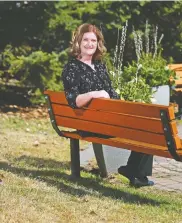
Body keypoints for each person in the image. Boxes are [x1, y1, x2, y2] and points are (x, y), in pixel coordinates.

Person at [61, 23, 154, 187]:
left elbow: (110, 91)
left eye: (93, 40)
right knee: (147, 128)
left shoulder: (100, 66)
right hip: (90, 124)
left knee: (147, 123)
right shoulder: (72, 67)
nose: (90, 44)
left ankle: (134, 171)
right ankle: (134, 171)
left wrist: (123, 108)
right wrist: (95, 94)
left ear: (98, 44)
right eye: (86, 40)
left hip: (105, 120)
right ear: (78, 42)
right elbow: (73, 100)